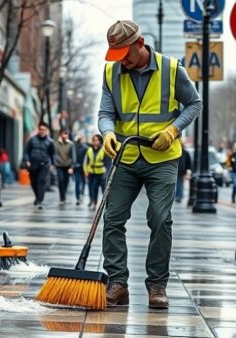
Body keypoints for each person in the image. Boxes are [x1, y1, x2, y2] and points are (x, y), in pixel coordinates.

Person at [98, 20, 202, 308]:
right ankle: (117, 283)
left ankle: (157, 285)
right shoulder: (111, 71)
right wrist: (107, 132)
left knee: (159, 218)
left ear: (140, 43)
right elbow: (106, 111)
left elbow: (194, 104)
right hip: (126, 157)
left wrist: (172, 130)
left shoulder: (171, 69)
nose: (123, 62)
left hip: (162, 159)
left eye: (126, 55)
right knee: (113, 219)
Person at [23, 122, 55, 210]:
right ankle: (38, 197)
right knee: (33, 182)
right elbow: (26, 151)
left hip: (44, 164)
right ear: (38, 129)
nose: (42, 131)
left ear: (46, 130)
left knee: (41, 181)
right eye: (40, 129)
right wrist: (27, 160)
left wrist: (52, 164)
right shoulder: (32, 140)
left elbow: (53, 154)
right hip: (33, 164)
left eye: (43, 129)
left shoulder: (50, 141)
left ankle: (40, 201)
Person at [84, 134, 107, 210]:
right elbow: (85, 162)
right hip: (91, 172)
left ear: (100, 141)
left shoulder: (104, 150)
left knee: (104, 189)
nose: (95, 142)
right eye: (94, 140)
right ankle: (94, 202)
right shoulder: (89, 150)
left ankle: (105, 203)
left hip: (101, 172)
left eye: (97, 140)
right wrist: (86, 171)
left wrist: (106, 173)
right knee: (93, 188)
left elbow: (107, 162)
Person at [54, 129, 75, 206]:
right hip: (59, 165)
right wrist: (54, 163)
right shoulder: (56, 143)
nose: (65, 135)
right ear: (60, 134)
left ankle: (64, 196)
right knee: (60, 180)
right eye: (63, 134)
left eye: (66, 134)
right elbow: (54, 154)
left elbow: (73, 156)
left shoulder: (71, 144)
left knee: (66, 181)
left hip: (68, 166)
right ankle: (62, 198)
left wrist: (72, 167)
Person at [73, 134, 88, 205]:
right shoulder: (74, 146)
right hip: (77, 168)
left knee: (83, 181)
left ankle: (82, 192)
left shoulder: (85, 147)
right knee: (77, 182)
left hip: (84, 168)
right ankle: (78, 197)